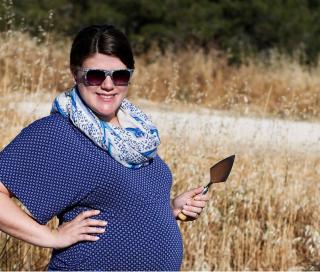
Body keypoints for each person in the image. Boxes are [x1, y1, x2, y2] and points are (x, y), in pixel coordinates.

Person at [0, 24, 209, 271]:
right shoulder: (59, 131)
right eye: (96, 75)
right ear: (75, 73)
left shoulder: (136, 134)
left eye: (120, 76)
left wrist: (168, 209)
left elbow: (121, 205)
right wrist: (50, 237)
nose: (108, 85)